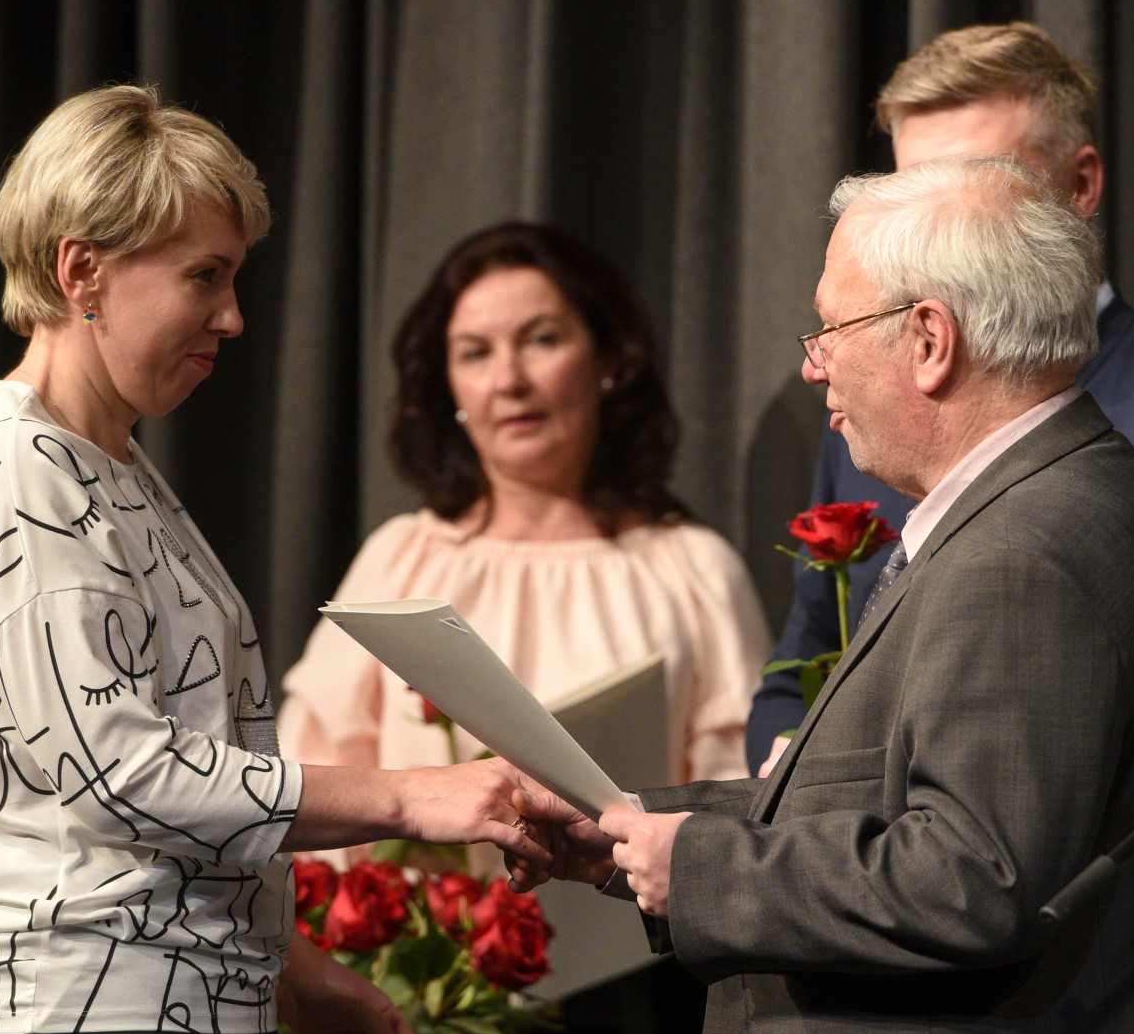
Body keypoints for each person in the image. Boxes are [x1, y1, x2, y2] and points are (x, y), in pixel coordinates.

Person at [507, 155, 1134, 1034]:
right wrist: (628, 827)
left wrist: (696, 868)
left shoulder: (1025, 552)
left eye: (831, 328)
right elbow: (884, 807)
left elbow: (974, 880)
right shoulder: (1051, 503)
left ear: (929, 340)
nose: (814, 368)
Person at [0, 85, 550, 1034]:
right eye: (204, 276)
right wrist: (411, 794)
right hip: (68, 1014)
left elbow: (178, 780)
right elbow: (121, 772)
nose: (233, 317)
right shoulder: (16, 468)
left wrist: (295, 970)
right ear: (82, 270)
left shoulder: (108, 464)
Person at [747, 22, 1134, 807]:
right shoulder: (868, 399)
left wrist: (1052, 748)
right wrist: (796, 760)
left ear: (1081, 185)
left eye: (973, 182)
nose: (928, 224)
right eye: (910, 190)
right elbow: (804, 661)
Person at [277, 221, 768, 817]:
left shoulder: (693, 568)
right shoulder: (399, 561)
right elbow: (310, 780)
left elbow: (739, 801)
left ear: (608, 359)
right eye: (476, 353)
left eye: (540, 340)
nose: (509, 381)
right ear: (450, 386)